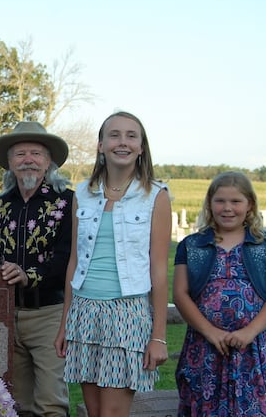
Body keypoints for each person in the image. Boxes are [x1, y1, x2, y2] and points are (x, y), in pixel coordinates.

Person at [54, 111, 171, 417]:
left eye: (132, 136)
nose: (123, 142)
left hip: (126, 315)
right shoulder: (83, 193)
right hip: (84, 312)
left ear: (142, 147)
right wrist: (66, 323)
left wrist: (158, 336)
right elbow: (75, 262)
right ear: (100, 145)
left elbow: (159, 270)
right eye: (115, 135)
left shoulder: (155, 196)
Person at [173, 171, 266, 416]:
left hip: (254, 348)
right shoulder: (192, 246)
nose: (227, 208)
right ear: (209, 204)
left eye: (235, 201)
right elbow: (181, 294)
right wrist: (210, 331)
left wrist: (249, 332)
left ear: (250, 205)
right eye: (220, 201)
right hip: (206, 348)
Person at [0, 121, 75, 417]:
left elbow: (66, 258)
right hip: (7, 314)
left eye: (36, 153)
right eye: (20, 154)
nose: (28, 160)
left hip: (49, 314)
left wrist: (29, 276)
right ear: (10, 163)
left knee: (51, 402)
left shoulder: (67, 203)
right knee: (15, 403)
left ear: (49, 161)